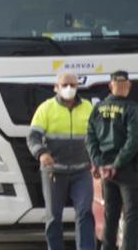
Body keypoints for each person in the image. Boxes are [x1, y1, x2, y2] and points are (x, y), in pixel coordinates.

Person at [27, 71, 95, 250]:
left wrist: (97, 161)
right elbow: (33, 136)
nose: (69, 88)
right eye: (65, 85)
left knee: (85, 212)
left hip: (82, 171)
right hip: (54, 172)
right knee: (53, 217)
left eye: (73, 85)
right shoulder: (46, 108)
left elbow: (97, 137)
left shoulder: (88, 107)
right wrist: (41, 153)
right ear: (56, 88)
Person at [86, 70, 138, 250]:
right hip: (127, 169)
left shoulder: (97, 109)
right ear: (111, 85)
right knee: (131, 213)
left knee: (111, 213)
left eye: (126, 84)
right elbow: (133, 141)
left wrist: (99, 163)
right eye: (121, 84)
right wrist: (116, 164)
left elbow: (90, 138)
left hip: (106, 171)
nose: (124, 87)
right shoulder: (132, 109)